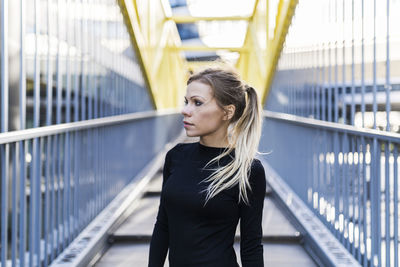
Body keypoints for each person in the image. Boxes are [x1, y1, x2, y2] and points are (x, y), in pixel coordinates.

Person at [148, 67, 266, 267]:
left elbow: (251, 244)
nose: (186, 110)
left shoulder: (248, 170)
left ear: (227, 112)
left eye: (198, 103)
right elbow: (163, 226)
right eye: (186, 102)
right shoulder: (175, 157)